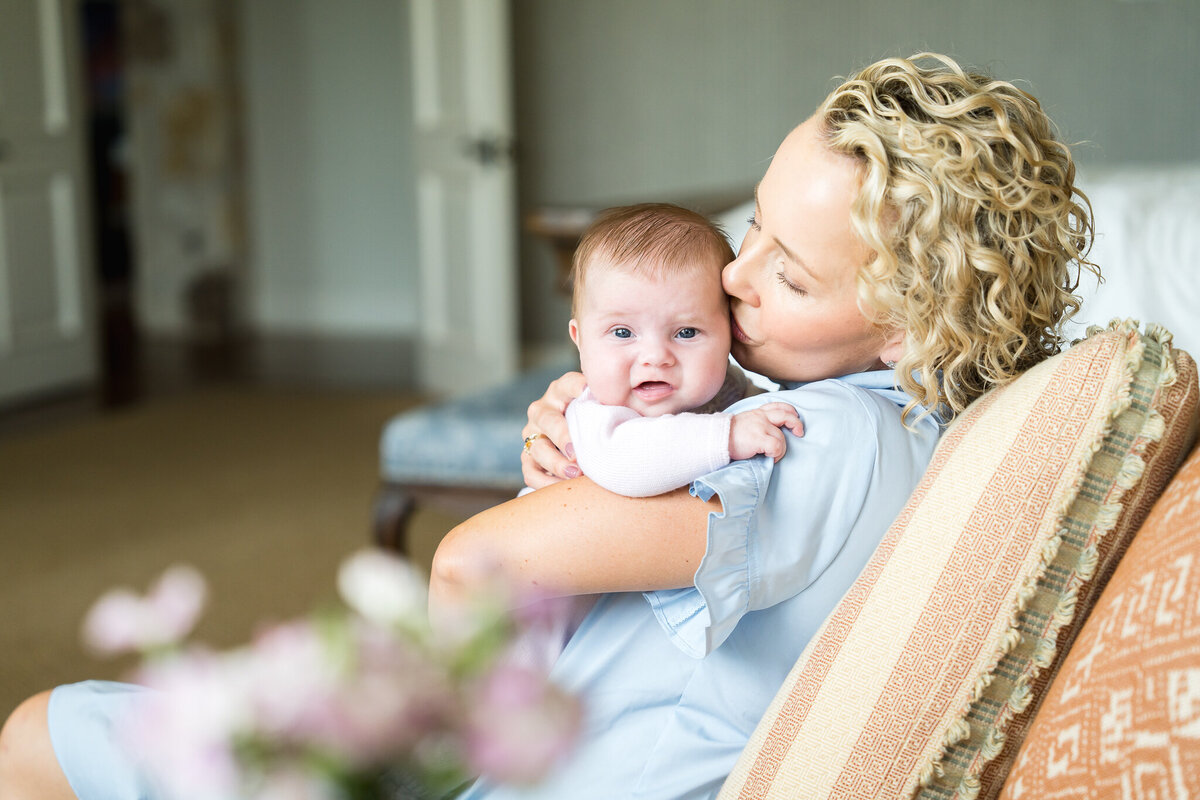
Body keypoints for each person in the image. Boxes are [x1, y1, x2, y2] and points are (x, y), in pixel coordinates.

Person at [0, 53, 1094, 800]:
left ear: (909, 325)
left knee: (43, 731)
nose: (733, 273)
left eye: (791, 275)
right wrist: (589, 454)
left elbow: (478, 558)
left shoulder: (818, 442)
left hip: (512, 770)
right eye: (751, 225)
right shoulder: (902, 422)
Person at [539, 201, 803, 499]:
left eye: (686, 332)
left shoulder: (727, 389)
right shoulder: (594, 413)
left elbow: (764, 416)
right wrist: (727, 436)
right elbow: (624, 464)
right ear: (580, 339)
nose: (655, 357)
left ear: (729, 333)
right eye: (623, 333)